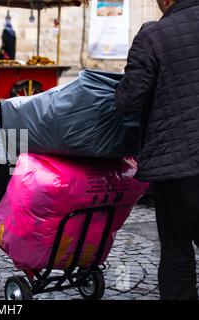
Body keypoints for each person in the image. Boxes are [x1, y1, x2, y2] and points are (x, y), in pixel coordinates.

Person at [114, 0, 199, 300]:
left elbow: (128, 101)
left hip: (178, 164)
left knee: (177, 248)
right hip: (182, 161)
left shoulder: (154, 35)